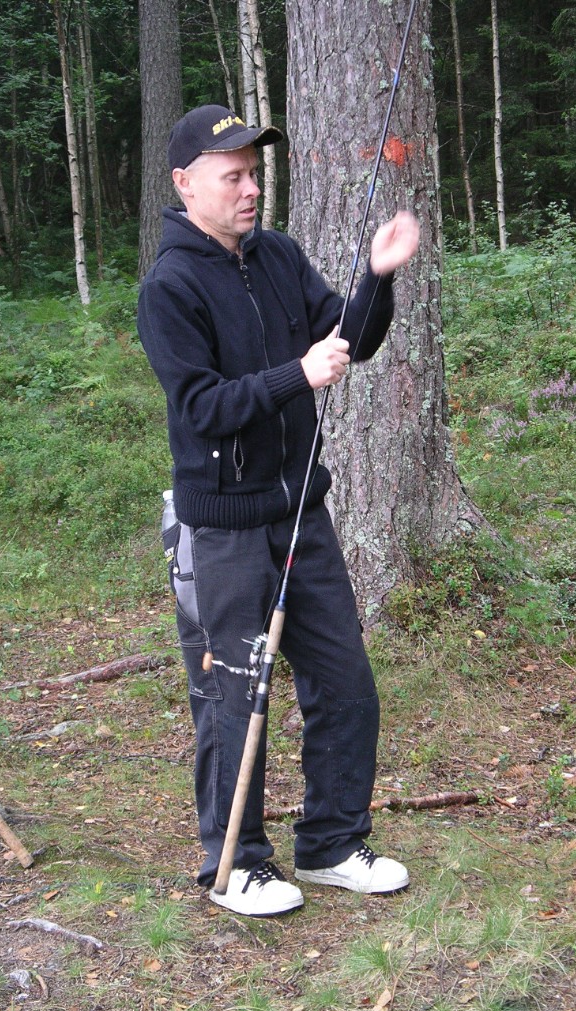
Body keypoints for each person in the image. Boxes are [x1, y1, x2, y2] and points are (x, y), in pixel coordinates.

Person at [137, 104, 420, 918]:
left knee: (344, 679)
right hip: (222, 526)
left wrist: (376, 277)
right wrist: (299, 374)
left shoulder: (280, 256)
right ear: (186, 183)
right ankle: (236, 866)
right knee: (235, 694)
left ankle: (331, 843)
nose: (249, 189)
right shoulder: (171, 286)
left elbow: (349, 338)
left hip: (301, 514)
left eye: (254, 173)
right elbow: (203, 408)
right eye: (232, 176)